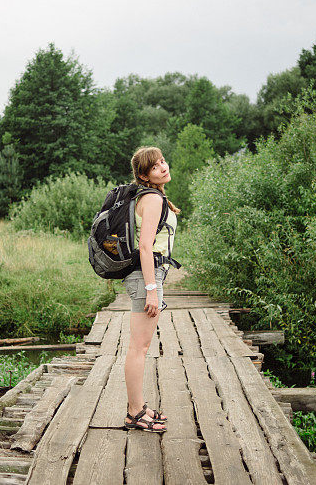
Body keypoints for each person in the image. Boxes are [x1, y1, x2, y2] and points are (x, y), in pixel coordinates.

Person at [122, 146, 180, 433]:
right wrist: (152, 289)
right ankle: (134, 413)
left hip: (149, 274)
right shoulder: (153, 199)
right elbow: (145, 246)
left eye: (163, 162)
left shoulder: (147, 196)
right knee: (139, 347)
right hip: (147, 275)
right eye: (156, 166)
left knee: (140, 346)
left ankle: (139, 407)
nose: (163, 167)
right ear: (144, 175)